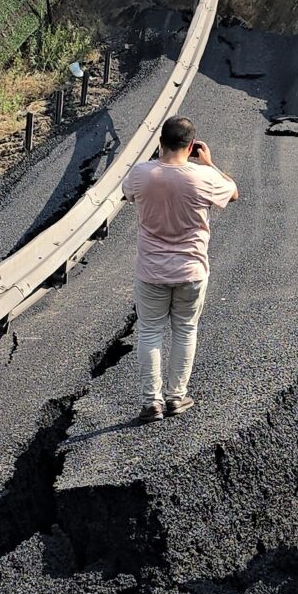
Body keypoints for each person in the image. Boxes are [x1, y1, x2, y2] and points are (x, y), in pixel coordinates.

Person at [120, 115, 239, 422]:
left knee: (150, 331)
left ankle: (152, 402)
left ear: (160, 143)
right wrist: (209, 163)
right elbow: (233, 192)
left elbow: (127, 193)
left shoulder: (141, 174)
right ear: (191, 147)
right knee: (185, 330)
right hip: (192, 271)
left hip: (151, 271)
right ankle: (176, 396)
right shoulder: (204, 177)